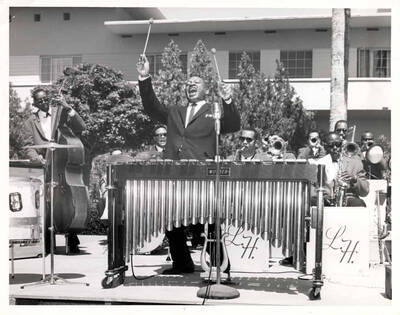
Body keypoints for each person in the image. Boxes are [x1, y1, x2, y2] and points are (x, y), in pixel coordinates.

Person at [136, 54, 240, 275]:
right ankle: (182, 263)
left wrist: (228, 101)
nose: (191, 85)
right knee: (172, 220)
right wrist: (144, 78)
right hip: (175, 173)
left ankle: (222, 267)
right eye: (188, 83)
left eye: (196, 83)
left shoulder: (214, 109)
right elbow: (152, 107)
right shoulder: (175, 112)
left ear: (205, 89)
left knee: (210, 224)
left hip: (202, 174)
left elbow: (232, 125)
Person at [23, 87, 86, 254]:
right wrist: (38, 159)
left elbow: (81, 127)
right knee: (45, 203)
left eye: (46, 99)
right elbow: (28, 146)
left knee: (68, 198)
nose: (44, 102)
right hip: (45, 166)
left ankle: (72, 235)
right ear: (35, 103)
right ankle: (48, 241)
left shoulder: (61, 114)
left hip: (63, 165)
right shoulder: (30, 121)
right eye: (40, 100)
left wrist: (68, 107)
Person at [316, 132, 369, 207]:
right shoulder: (318, 163)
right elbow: (312, 188)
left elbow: (365, 191)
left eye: (338, 144)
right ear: (325, 146)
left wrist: (355, 179)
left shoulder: (356, 163)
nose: (335, 148)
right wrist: (323, 196)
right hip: (326, 201)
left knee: (358, 204)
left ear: (342, 145)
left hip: (348, 199)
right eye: (331, 145)